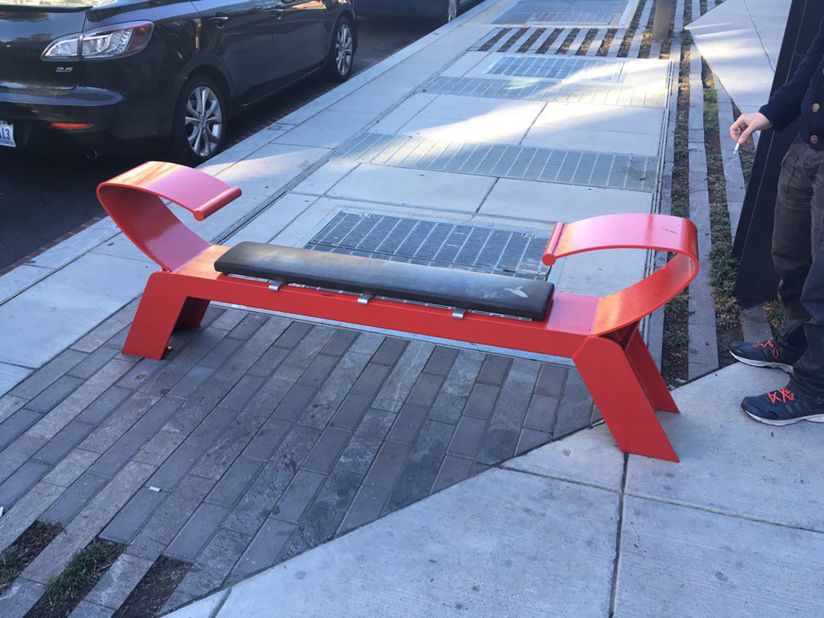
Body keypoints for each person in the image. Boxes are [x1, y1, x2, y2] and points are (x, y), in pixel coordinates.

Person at [728, 18, 824, 426]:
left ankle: (815, 387)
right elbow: (811, 65)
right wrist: (769, 114)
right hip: (809, 145)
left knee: (823, 282)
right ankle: (794, 343)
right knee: (789, 254)